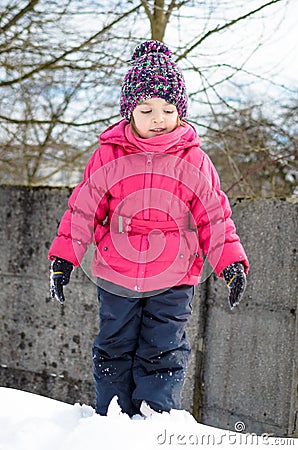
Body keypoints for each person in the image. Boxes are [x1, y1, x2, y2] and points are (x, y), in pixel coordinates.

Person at [49, 40, 249, 418]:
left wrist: (230, 264)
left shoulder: (195, 160)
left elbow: (214, 217)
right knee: (114, 345)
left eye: (168, 109)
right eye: (147, 109)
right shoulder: (108, 155)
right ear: (129, 112)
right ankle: (112, 419)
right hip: (117, 273)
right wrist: (64, 259)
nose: (159, 117)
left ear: (181, 111)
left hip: (174, 277)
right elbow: (83, 210)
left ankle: (155, 421)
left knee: (164, 348)